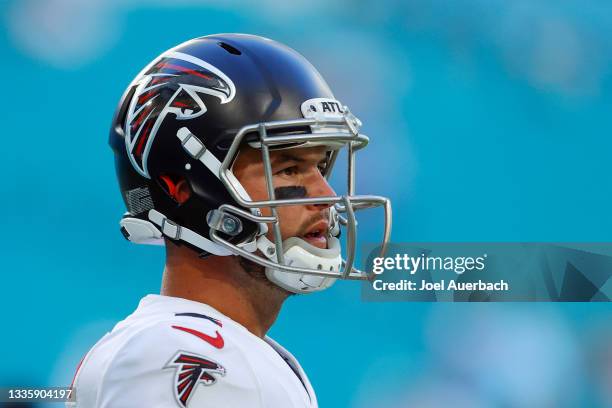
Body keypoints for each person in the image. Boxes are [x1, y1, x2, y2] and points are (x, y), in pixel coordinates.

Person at [68, 33, 391, 408]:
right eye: (288, 169)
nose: (327, 196)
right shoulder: (180, 353)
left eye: (321, 166)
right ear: (184, 189)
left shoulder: (224, 348)